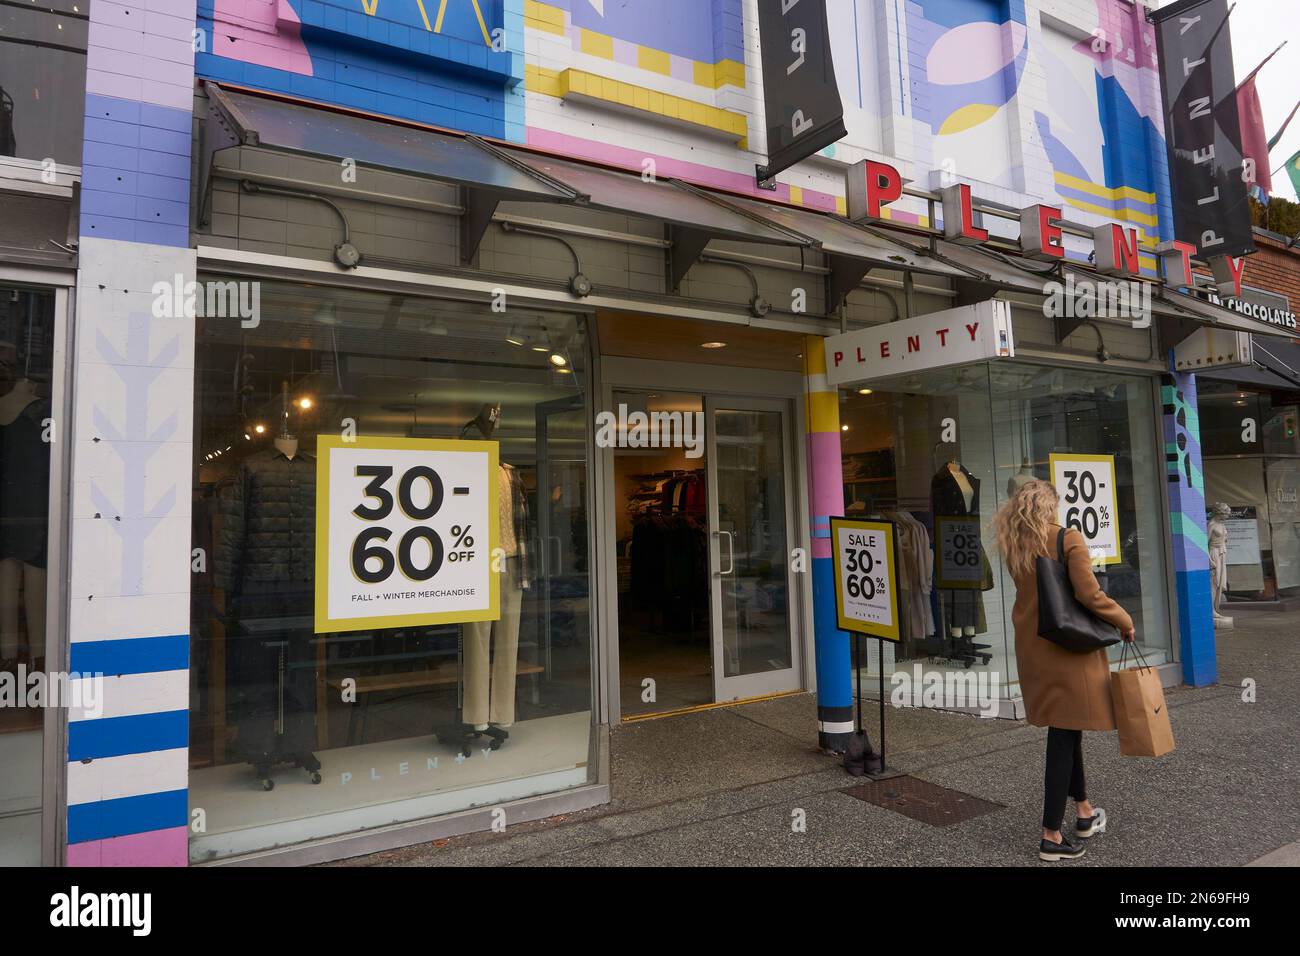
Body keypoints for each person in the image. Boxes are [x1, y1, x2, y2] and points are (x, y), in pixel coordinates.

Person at [993, 479, 1135, 862]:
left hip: (1035, 646)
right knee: (1063, 737)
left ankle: (1085, 811)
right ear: (1050, 506)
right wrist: (1123, 620)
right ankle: (1051, 835)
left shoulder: (1015, 544)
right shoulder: (1068, 538)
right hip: (1069, 649)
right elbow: (1090, 595)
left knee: (1066, 728)